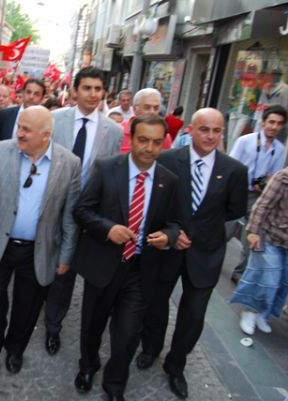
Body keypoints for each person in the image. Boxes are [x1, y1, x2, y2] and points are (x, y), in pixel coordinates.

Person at [0, 105, 81, 378]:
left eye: (26, 130)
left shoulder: (69, 163)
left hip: (38, 251)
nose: (19, 133)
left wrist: (66, 256)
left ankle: (15, 349)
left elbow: (70, 216)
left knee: (27, 308)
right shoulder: (1, 151)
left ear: (45, 135)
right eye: (19, 126)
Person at [136, 108, 248, 400]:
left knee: (193, 314)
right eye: (204, 129)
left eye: (216, 131)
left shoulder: (235, 170)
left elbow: (235, 210)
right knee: (155, 303)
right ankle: (150, 348)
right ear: (190, 129)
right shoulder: (167, 159)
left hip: (206, 254)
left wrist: (202, 234)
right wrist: (172, 233)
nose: (210, 136)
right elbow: (155, 202)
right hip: (167, 250)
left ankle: (176, 365)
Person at [72, 115, 180, 401]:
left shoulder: (169, 180)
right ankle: (88, 365)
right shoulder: (107, 169)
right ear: (131, 139)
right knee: (92, 325)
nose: (149, 148)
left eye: (156, 142)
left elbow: (175, 222)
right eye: (143, 140)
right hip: (104, 264)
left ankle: (115, 387)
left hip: (140, 270)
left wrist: (168, 236)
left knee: (127, 335)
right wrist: (108, 229)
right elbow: (81, 210)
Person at [43, 66, 123, 356]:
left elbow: (110, 173)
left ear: (104, 93)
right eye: (87, 88)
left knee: (72, 269)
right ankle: (49, 318)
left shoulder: (113, 131)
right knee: (53, 265)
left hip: (89, 212)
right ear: (75, 91)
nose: (92, 94)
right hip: (53, 205)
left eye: (98, 89)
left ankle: (57, 324)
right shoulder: (55, 120)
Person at [228, 104, 286, 283]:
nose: (274, 127)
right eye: (271, 122)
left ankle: (240, 272)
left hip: (257, 196)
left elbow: (274, 177)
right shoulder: (245, 141)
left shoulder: (279, 149)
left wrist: (265, 184)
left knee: (253, 235)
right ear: (263, 122)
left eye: (279, 124)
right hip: (236, 191)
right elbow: (231, 166)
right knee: (224, 230)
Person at [230, 166, 288, 334]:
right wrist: (253, 232)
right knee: (268, 277)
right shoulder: (282, 178)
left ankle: (264, 313)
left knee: (283, 282)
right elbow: (262, 205)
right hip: (269, 236)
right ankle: (250, 311)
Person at [0, 79, 46, 143]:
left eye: (36, 94)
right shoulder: (6, 114)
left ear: (42, 98)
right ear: (23, 93)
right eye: (28, 92)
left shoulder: (46, 120)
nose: (31, 97)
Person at [119, 88, 172, 153]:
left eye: (156, 108)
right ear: (135, 109)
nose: (152, 112)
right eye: (147, 107)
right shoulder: (119, 132)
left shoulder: (164, 137)